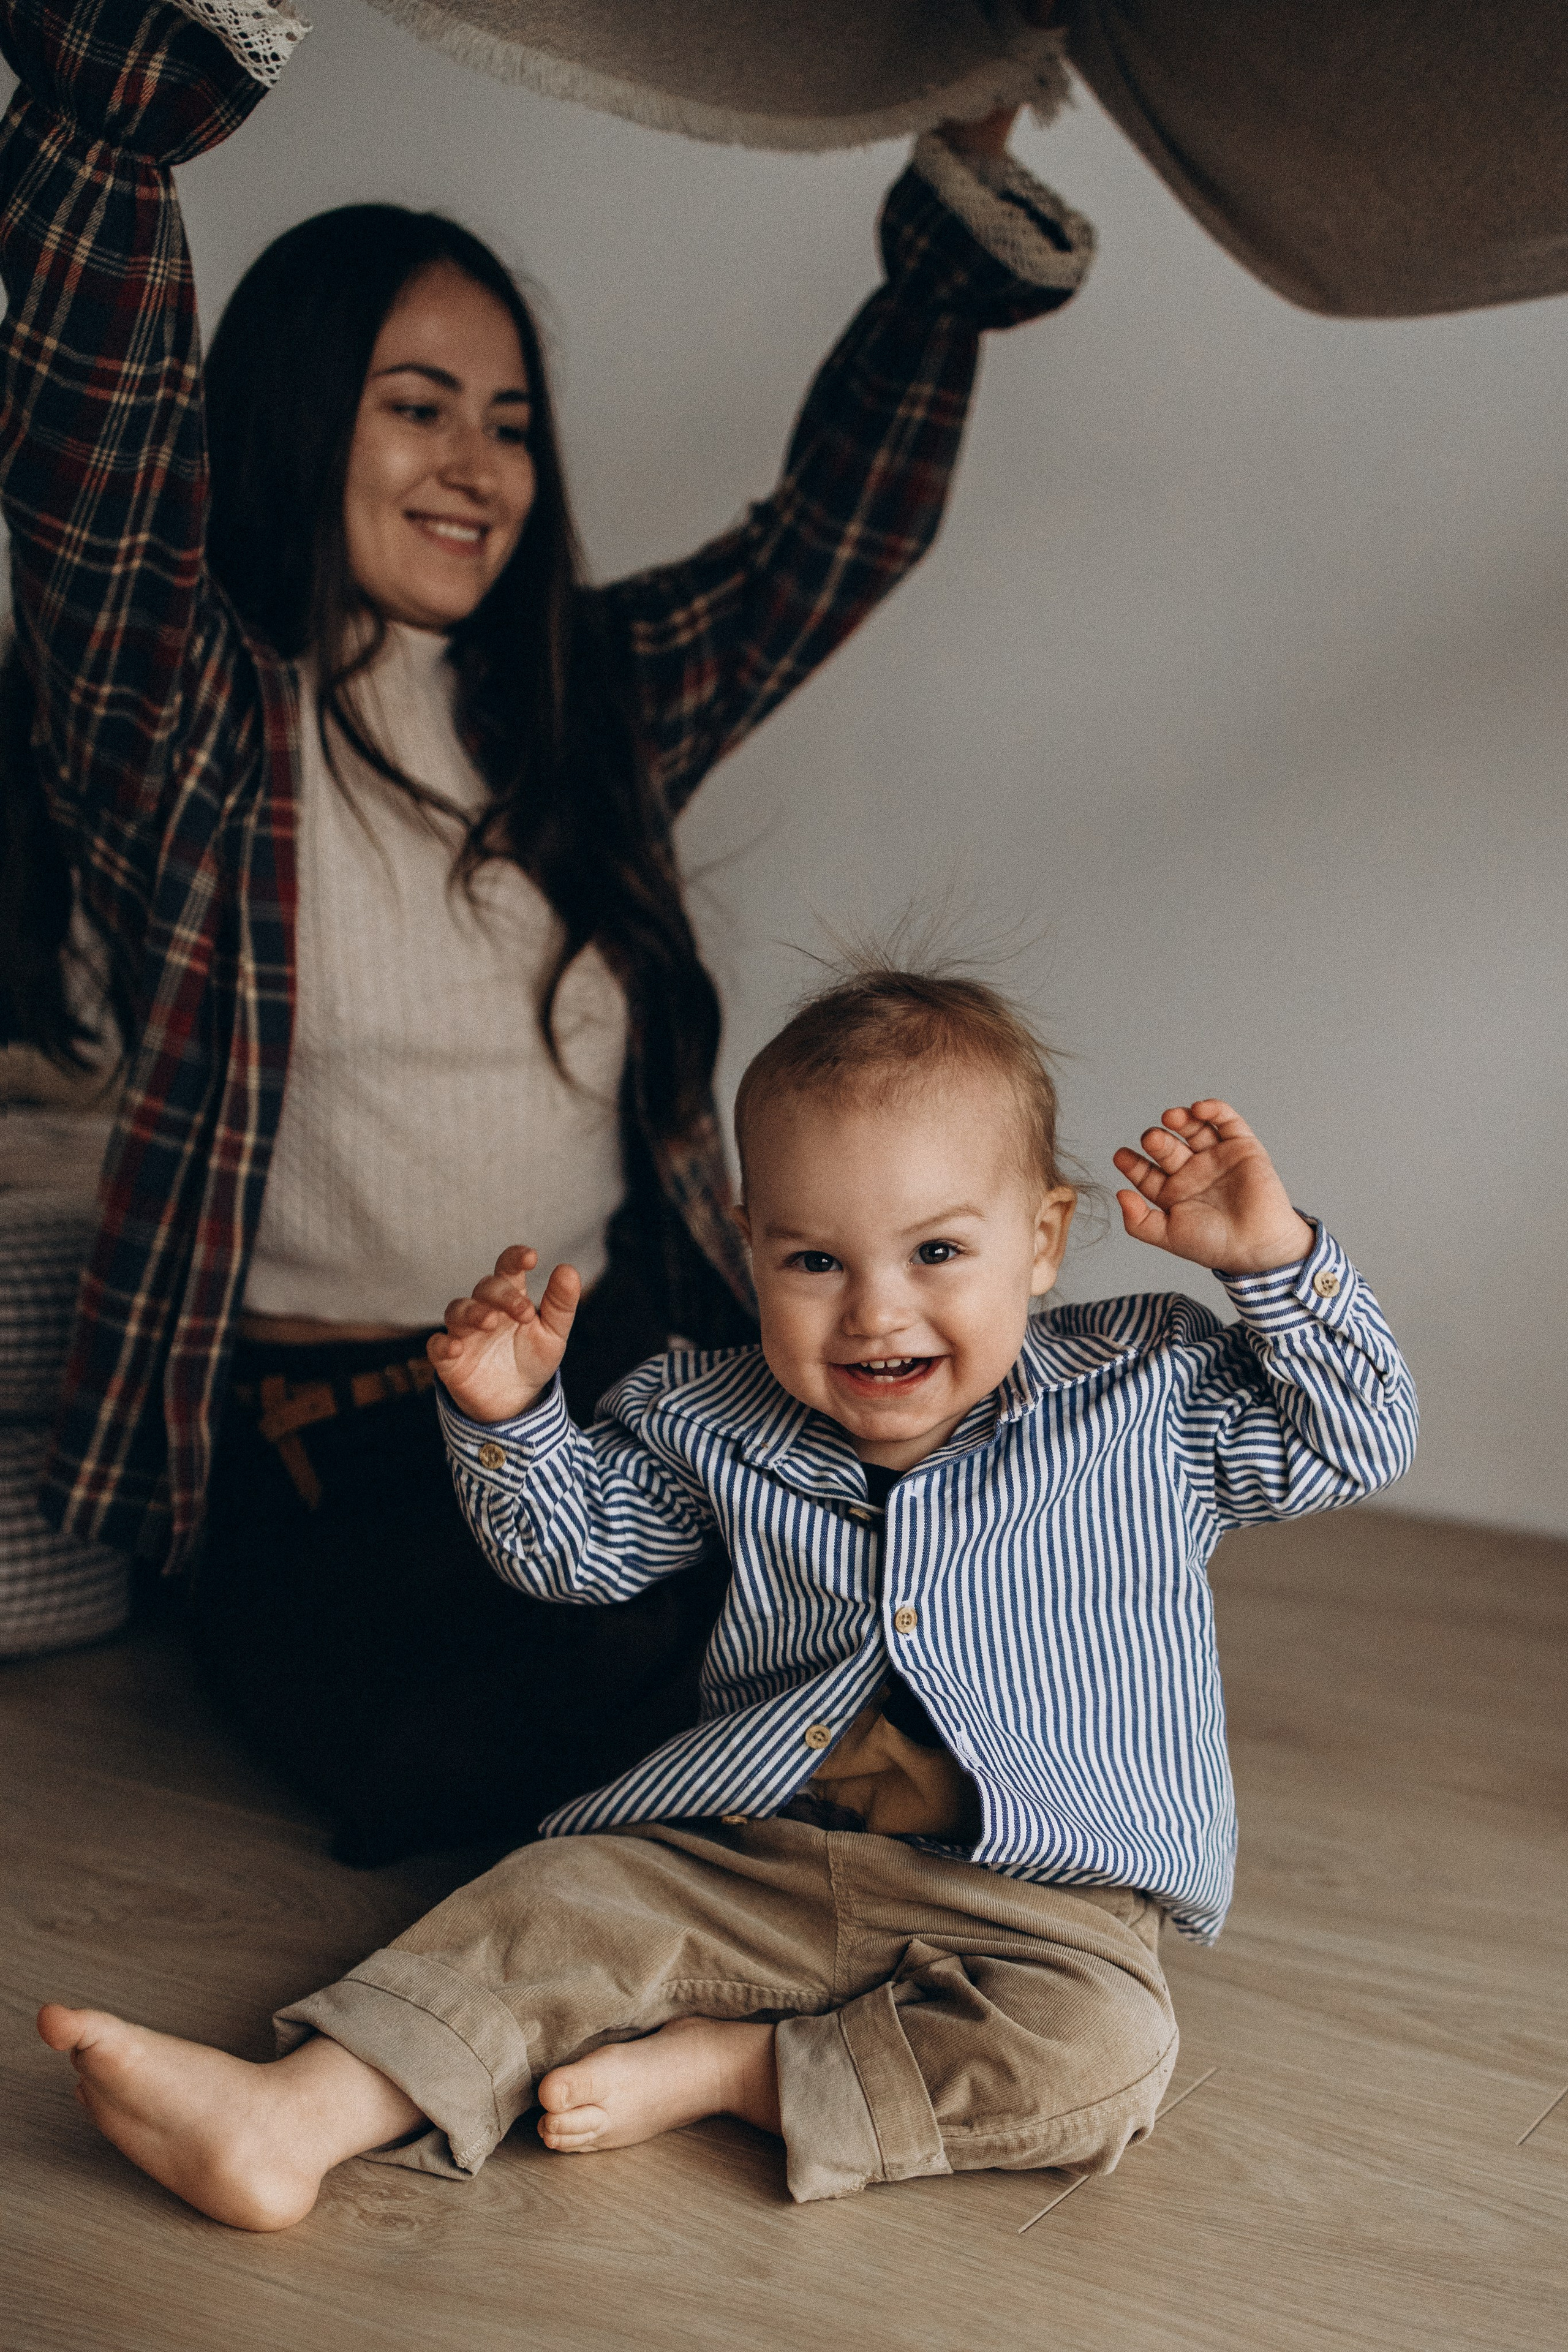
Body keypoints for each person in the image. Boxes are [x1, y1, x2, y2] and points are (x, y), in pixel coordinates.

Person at [0, 0, 1094, 1861]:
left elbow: (826, 541)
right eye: (415, 407)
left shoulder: (585, 706)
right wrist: (118, 104)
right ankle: (794, 1769)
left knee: (999, 1574)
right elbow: (86, 466)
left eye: (510, 422)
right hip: (325, 1433)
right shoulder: (182, 714)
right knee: (453, 1749)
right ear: (290, 415)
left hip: (621, 1377)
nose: (480, 466)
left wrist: (967, 174)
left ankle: (832, 1751)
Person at [36, 967, 1418, 2226]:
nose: (873, 1312)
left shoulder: (1146, 1392)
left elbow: (1359, 1436)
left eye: (936, 1254)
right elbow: (571, 1557)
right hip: (746, 1848)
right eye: (813, 1261)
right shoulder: (712, 1411)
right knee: (547, 1904)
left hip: (1039, 1891)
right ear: (748, 1245)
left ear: (1043, 1238)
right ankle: (292, 2118)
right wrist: (513, 1421)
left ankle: (751, 2075)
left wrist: (1271, 1262)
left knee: (1105, 2061)